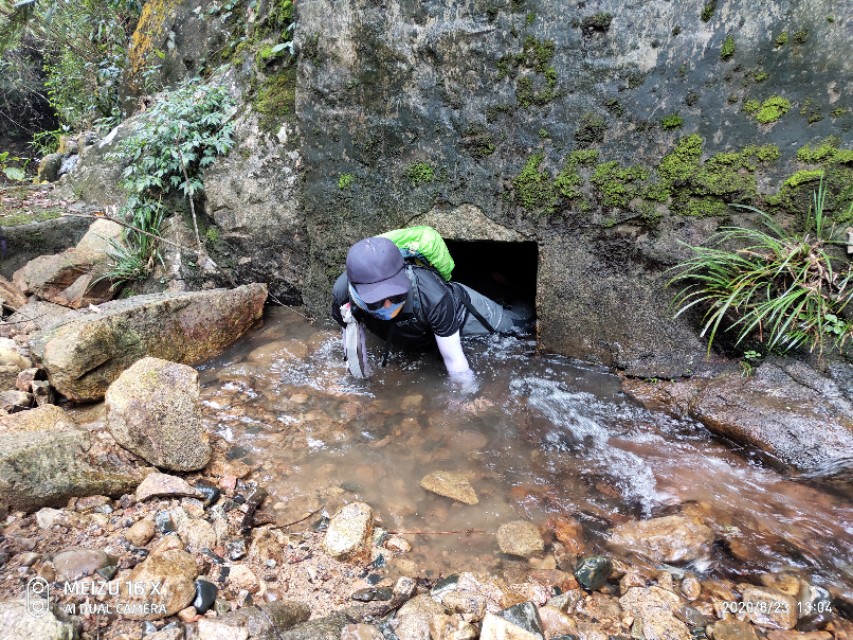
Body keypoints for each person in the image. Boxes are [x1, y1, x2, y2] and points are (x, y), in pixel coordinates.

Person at [330, 235, 531, 385]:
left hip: (460, 309)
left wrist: (465, 397)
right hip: (424, 326)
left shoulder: (432, 296)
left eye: (397, 295)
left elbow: (454, 360)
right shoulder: (343, 296)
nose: (388, 307)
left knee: (518, 325)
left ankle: (511, 287)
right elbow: (354, 346)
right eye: (376, 302)